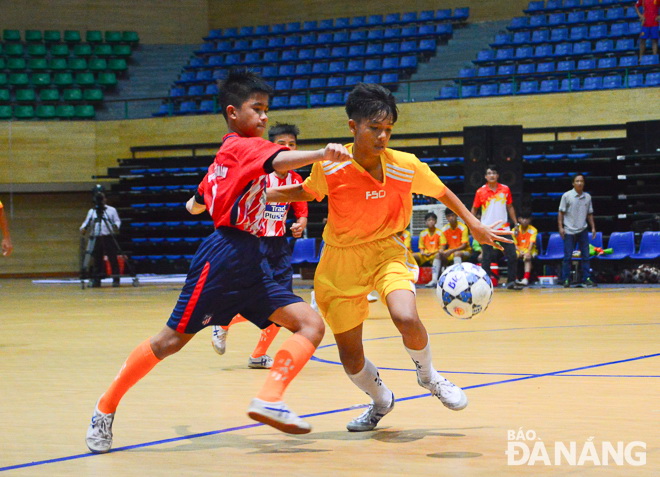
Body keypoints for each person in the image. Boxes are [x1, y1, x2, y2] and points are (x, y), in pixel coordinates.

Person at [85, 69, 353, 453]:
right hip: (225, 257)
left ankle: (269, 399)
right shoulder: (245, 147)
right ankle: (104, 408)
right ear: (232, 113)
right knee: (170, 340)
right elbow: (278, 160)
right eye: (256, 109)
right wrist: (321, 153)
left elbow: (197, 203)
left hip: (253, 259)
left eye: (266, 110)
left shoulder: (227, 156)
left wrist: (205, 199)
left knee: (310, 324)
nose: (263, 117)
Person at [267, 83, 512, 432]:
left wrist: (473, 224)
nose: (383, 137)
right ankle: (381, 401)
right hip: (340, 261)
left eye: (388, 130)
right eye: (374, 128)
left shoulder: (405, 165)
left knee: (405, 315)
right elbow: (308, 191)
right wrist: (269, 194)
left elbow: (442, 191)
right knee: (351, 356)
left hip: (387, 249)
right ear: (353, 127)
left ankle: (428, 377)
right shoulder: (331, 167)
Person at [210, 122, 309, 369]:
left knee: (283, 302)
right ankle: (223, 321)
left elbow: (301, 205)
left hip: (281, 246)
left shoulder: (296, 177)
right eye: (281, 144)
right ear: (271, 147)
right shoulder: (259, 175)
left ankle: (258, 356)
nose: (287, 148)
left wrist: (301, 222)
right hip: (257, 244)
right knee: (264, 300)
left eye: (292, 145)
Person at [470, 165, 523, 290]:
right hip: (487, 229)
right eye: (489, 173)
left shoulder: (505, 189)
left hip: (504, 228)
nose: (492, 175)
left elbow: (510, 207)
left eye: (494, 173)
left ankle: (511, 282)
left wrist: (515, 223)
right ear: (485, 176)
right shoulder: (480, 191)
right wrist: (472, 225)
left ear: (497, 175)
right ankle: (485, 284)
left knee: (512, 255)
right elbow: (474, 209)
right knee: (486, 257)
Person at [558, 174, 597, 288]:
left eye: (581, 181)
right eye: (577, 181)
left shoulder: (587, 197)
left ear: (584, 183)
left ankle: (587, 278)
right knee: (568, 256)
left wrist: (593, 227)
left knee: (585, 256)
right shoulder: (566, 196)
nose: (579, 183)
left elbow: (590, 214)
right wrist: (560, 227)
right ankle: (566, 279)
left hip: (583, 229)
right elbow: (561, 213)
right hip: (569, 230)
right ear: (573, 183)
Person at [80, 193, 121, 287]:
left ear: (105, 199)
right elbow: (87, 221)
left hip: (108, 236)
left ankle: (116, 279)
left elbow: (117, 220)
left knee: (112, 258)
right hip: (96, 236)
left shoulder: (111, 210)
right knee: (97, 259)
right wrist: (83, 228)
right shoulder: (92, 211)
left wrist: (116, 226)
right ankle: (97, 279)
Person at [413, 212, 443, 288]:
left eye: (433, 220)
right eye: (429, 220)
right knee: (413, 256)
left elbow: (442, 248)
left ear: (436, 221)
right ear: (426, 222)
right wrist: (423, 253)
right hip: (425, 255)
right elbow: (421, 249)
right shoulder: (423, 233)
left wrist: (433, 252)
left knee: (438, 255)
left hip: (435, 255)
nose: (431, 222)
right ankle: (411, 280)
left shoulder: (440, 233)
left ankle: (434, 281)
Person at [513, 209, 538, 286]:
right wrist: (519, 252)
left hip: (530, 249)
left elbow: (532, 243)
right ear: (519, 219)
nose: (525, 221)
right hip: (519, 250)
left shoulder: (533, 230)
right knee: (513, 256)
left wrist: (528, 252)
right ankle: (515, 278)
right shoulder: (515, 230)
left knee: (527, 257)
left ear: (530, 220)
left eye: (527, 219)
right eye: (523, 219)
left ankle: (525, 279)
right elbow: (514, 244)